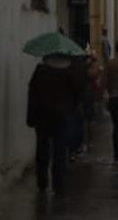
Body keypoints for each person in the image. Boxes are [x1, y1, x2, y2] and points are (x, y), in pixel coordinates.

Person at [27, 53, 83, 193]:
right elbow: (77, 95)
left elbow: (32, 95)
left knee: (42, 149)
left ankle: (42, 182)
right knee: (59, 151)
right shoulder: (69, 72)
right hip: (62, 117)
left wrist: (30, 117)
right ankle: (58, 184)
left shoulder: (40, 71)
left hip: (42, 116)